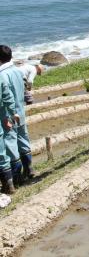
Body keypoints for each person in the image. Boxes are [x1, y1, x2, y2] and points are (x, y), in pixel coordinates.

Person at [0, 46, 33, 187]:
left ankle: (16, 176)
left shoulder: (2, 75)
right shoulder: (18, 71)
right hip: (20, 110)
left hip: (9, 113)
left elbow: (7, 96)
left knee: (10, 143)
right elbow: (25, 88)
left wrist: (10, 113)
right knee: (23, 138)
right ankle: (29, 168)